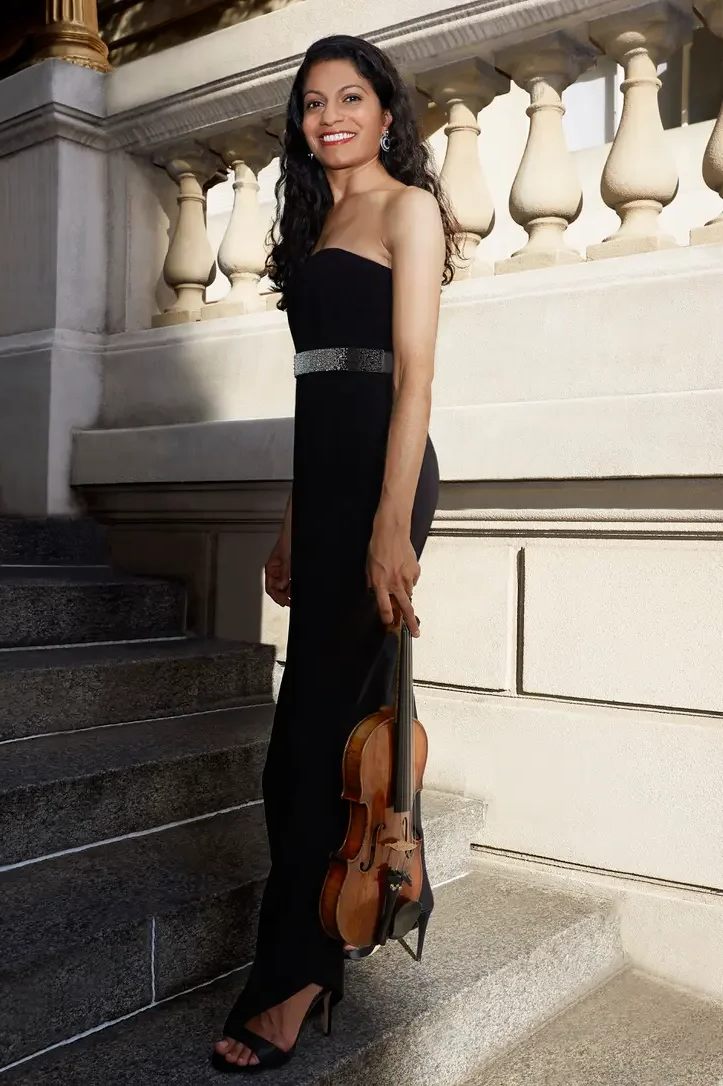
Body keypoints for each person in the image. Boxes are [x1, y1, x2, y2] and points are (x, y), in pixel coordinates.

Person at [212, 32, 460, 1075]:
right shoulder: (316, 225)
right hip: (324, 494)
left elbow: (410, 382)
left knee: (308, 746)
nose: (330, 116)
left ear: (387, 111)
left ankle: (298, 975)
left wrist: (389, 523)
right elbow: (319, 395)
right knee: (303, 744)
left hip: (385, 490)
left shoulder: (408, 206)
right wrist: (289, 521)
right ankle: (316, 952)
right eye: (314, 103)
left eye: (349, 97)